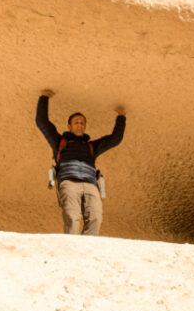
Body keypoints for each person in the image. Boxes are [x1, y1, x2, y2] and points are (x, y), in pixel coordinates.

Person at [36, 89, 126, 235]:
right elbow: (42, 122)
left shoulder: (91, 146)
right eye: (76, 122)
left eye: (82, 123)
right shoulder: (60, 142)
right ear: (69, 126)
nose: (80, 125)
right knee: (72, 217)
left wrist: (121, 117)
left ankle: (85, 252)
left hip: (91, 185)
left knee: (96, 218)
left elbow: (115, 139)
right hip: (69, 183)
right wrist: (44, 98)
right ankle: (71, 252)